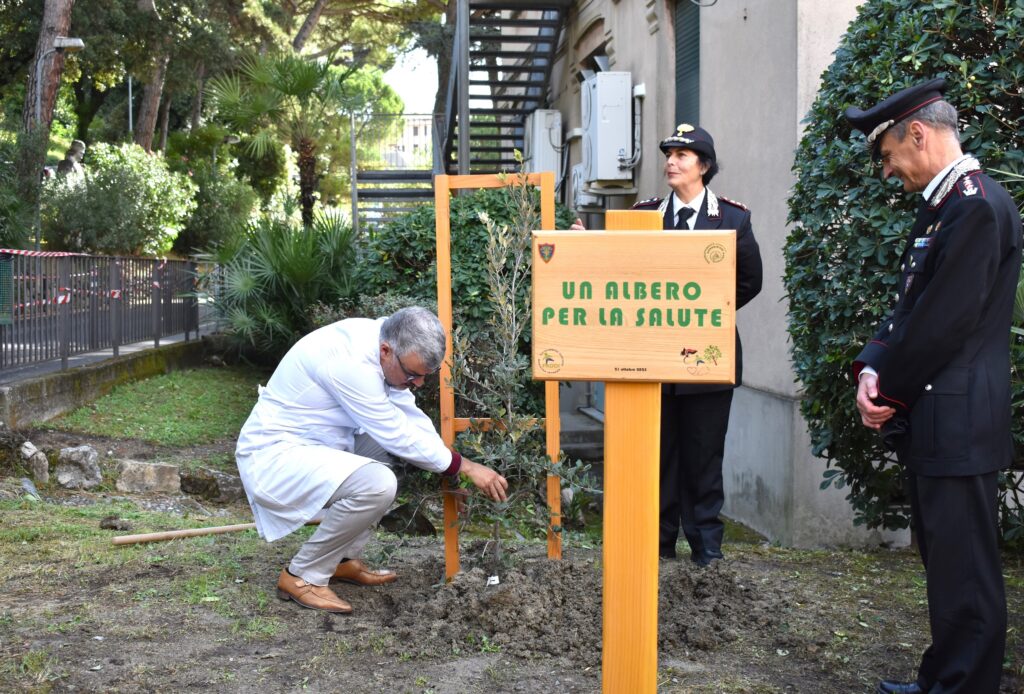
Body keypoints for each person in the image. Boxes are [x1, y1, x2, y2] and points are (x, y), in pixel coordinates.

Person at [845, 77, 1021, 694]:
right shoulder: (947, 204)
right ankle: (943, 680)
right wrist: (873, 367)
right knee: (946, 561)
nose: (888, 171)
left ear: (917, 134)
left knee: (966, 567)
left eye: (889, 155)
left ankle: (963, 686)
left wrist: (887, 392)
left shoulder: (975, 206)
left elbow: (944, 323)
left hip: (959, 417)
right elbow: (910, 309)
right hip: (942, 415)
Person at [572, 123, 763, 566]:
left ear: (704, 166)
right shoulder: (644, 215)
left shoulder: (732, 218)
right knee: (657, 456)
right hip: (651, 359)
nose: (671, 162)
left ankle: (706, 547)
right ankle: (658, 542)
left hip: (708, 360)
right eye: (669, 155)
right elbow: (618, 269)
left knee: (703, 456)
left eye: (682, 155)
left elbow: (749, 281)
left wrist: (701, 315)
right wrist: (585, 247)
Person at [235, 307, 508, 614]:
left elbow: (409, 420)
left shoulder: (384, 348)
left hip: (317, 448)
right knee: (378, 484)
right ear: (386, 351)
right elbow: (395, 432)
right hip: (275, 458)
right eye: (413, 375)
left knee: (396, 457)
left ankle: (341, 560)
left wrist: (453, 473)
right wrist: (466, 466)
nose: (418, 384)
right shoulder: (349, 362)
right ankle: (303, 576)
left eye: (423, 377)